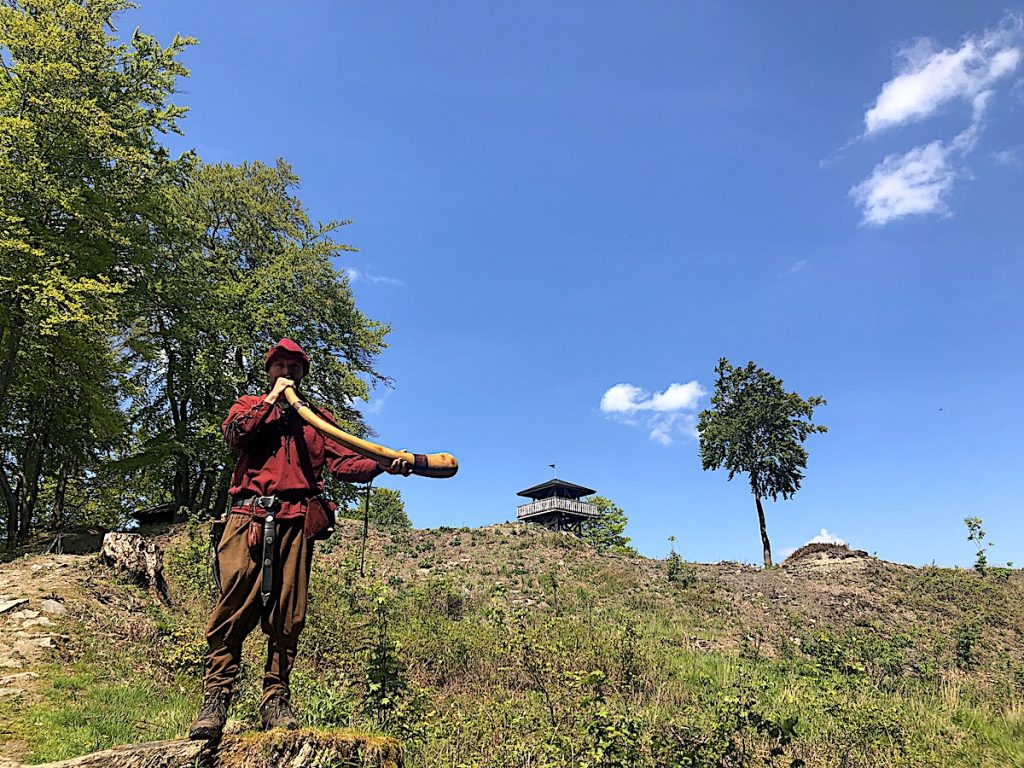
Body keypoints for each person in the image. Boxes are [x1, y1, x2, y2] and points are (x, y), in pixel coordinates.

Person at [188, 338, 410, 740]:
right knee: (233, 607)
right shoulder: (247, 406)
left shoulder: (316, 420)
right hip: (247, 519)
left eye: (294, 367)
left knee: (288, 615)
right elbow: (237, 436)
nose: (287, 371)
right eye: (280, 365)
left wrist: (384, 464)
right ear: (269, 370)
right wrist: (271, 400)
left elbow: (346, 463)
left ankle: (275, 699)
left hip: (295, 523)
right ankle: (216, 698)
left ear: (303, 374)